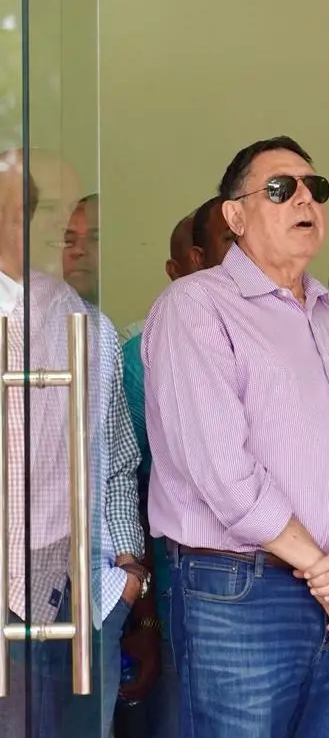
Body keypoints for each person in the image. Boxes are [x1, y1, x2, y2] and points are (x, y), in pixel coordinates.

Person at [143, 136, 329, 738]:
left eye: (314, 188)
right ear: (235, 216)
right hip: (242, 593)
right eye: (279, 188)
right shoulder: (196, 306)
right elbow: (223, 470)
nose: (304, 199)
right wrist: (324, 569)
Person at [0, 150, 145, 738]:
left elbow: (117, 462)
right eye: (42, 210)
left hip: (86, 592)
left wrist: (128, 568)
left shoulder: (91, 328)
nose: (60, 230)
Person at [119, 196, 233, 737]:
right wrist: (143, 614)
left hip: (287, 591)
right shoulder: (143, 353)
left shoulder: (302, 337)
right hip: (181, 588)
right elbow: (133, 485)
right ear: (190, 261)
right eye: (228, 243)